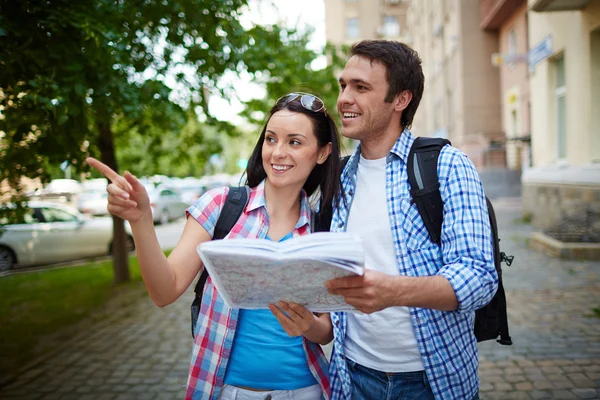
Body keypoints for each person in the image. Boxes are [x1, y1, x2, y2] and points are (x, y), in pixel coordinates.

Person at [87, 92, 343, 400]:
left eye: (295, 142)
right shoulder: (221, 206)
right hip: (226, 391)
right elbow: (164, 291)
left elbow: (326, 329)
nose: (277, 152)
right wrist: (141, 219)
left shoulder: (322, 229)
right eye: (271, 139)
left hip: (306, 390)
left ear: (323, 152)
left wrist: (307, 325)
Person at [323, 40, 498, 400]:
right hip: (350, 376)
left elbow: (479, 276)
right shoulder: (338, 177)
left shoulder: (448, 165)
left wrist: (393, 291)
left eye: (361, 87)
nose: (344, 98)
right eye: (343, 85)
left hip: (431, 382)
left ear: (400, 100)